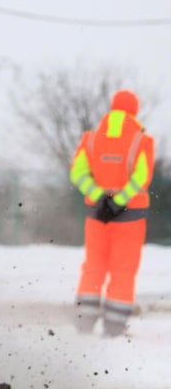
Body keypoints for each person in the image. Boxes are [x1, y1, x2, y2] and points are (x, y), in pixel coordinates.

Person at [69, 88, 155, 337]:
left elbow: (78, 173)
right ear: (134, 110)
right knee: (123, 269)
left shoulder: (92, 138)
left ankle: (84, 322)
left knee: (93, 265)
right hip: (130, 215)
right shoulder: (142, 140)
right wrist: (119, 201)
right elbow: (142, 177)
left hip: (96, 214)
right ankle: (114, 327)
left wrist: (99, 198)